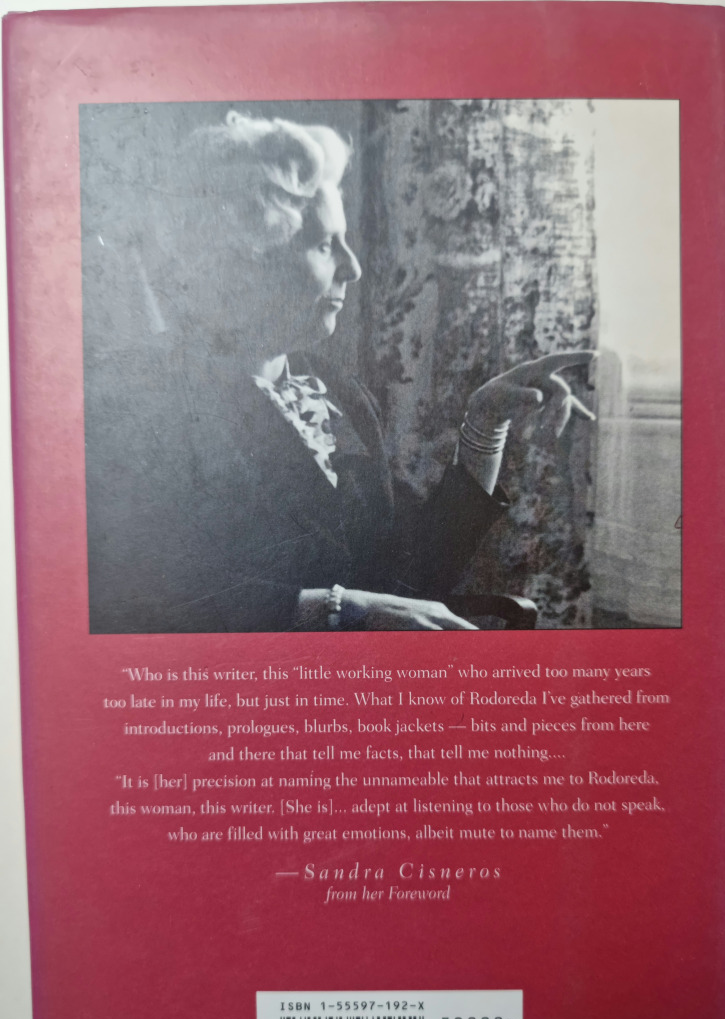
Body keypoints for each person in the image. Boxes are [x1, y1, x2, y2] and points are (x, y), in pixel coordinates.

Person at [85, 111, 594, 633]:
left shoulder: (337, 391)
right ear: (242, 263)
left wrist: (485, 425)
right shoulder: (142, 400)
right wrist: (343, 608)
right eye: (326, 245)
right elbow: (143, 601)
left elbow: (414, 577)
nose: (353, 268)